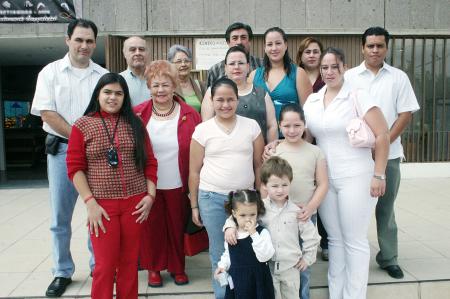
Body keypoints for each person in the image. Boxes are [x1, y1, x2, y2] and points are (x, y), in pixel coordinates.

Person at [303, 47, 390, 299]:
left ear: (344, 68)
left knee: (354, 240)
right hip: (326, 180)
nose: (329, 72)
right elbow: (307, 137)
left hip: (357, 176)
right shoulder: (313, 100)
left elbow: (382, 135)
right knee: (336, 240)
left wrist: (379, 174)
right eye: (324, 67)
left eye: (334, 67)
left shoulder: (357, 94)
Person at [30, 18, 108, 297]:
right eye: (79, 40)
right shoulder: (50, 73)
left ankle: (98, 267)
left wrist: (90, 141)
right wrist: (79, 137)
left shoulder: (102, 75)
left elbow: (109, 111)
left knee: (96, 213)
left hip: (96, 155)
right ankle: (62, 271)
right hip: (62, 152)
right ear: (68, 40)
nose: (84, 46)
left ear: (95, 44)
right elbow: (47, 113)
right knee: (59, 218)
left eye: (89, 41)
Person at [66, 73, 157, 299]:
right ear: (98, 94)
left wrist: (150, 196)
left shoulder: (135, 124)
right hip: (101, 206)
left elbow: (150, 162)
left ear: (125, 97)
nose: (112, 97)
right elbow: (75, 168)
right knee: (104, 266)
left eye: (118, 93)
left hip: (134, 204)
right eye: (107, 92)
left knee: (128, 264)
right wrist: (90, 203)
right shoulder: (82, 125)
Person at [345, 27, 420, 279]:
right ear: (362, 48)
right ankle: (348, 254)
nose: (375, 50)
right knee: (352, 207)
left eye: (379, 45)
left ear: (386, 48)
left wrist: (383, 141)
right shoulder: (349, 77)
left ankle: (388, 257)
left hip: (390, 155)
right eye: (370, 46)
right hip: (355, 156)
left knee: (385, 208)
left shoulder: (398, 78)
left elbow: (406, 114)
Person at [189, 78, 265, 299]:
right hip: (212, 198)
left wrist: (259, 196)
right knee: (219, 252)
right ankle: (222, 295)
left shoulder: (251, 126)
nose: (225, 104)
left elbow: (258, 164)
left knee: (246, 250)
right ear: (211, 101)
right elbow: (194, 171)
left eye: (230, 99)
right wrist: (194, 206)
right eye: (219, 100)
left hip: (245, 202)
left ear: (237, 99)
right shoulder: (202, 130)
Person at [134, 60, 201, 287]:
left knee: (175, 225)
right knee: (151, 228)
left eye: (165, 84)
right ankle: (154, 268)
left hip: (178, 181)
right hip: (148, 183)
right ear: (149, 87)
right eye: (155, 85)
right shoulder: (137, 114)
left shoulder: (190, 114)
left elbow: (198, 150)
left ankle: (177, 267)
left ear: (174, 86)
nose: (160, 90)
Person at [224, 157, 320, 299]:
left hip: (291, 268)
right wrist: (230, 227)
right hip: (267, 268)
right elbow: (241, 217)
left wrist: (308, 258)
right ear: (264, 185)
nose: (280, 190)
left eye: (284, 185)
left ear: (290, 183)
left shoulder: (296, 212)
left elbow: (312, 237)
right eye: (274, 186)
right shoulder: (260, 208)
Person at [272, 103, 328, 299]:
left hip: (305, 217)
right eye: (286, 126)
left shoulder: (315, 152)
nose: (292, 130)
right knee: (281, 265)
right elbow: (265, 185)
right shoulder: (274, 151)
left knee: (303, 265)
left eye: (297, 125)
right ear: (280, 126)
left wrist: (311, 208)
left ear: (304, 125)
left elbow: (323, 184)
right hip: (280, 219)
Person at [201, 45, 278, 143]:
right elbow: (206, 125)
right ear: (225, 67)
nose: (236, 67)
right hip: (222, 151)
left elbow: (272, 125)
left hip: (258, 154)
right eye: (232, 63)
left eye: (241, 63)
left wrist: (270, 149)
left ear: (248, 66)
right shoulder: (212, 92)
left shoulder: (261, 93)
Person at [296, 38, 329, 262]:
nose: (311, 55)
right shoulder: (295, 75)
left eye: (316, 51)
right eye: (307, 51)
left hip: (322, 141)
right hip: (298, 136)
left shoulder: (327, 78)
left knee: (322, 194)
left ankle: (325, 242)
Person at [215, 190, 275, 299]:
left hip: (258, 281)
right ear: (234, 214)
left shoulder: (262, 233)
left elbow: (265, 256)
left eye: (252, 214)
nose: (248, 219)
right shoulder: (232, 234)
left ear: (257, 212)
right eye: (242, 215)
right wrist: (222, 266)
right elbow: (229, 254)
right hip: (238, 281)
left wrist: (254, 234)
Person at [249, 27, 312, 122]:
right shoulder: (253, 75)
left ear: (286, 45)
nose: (274, 48)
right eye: (269, 44)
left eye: (278, 43)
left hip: (290, 134)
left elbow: (308, 112)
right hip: (260, 134)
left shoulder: (299, 73)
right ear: (265, 48)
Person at [206, 22, 263, 88]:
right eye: (235, 38)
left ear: (249, 41)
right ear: (228, 42)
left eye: (243, 37)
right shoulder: (215, 71)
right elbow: (210, 97)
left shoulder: (262, 65)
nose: (239, 42)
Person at [167, 44, 205, 112]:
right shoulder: (167, 86)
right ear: (171, 64)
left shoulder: (200, 85)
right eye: (179, 61)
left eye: (186, 61)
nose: (183, 64)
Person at [120, 36, 151, 106]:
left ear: (147, 53)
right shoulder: (117, 80)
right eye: (132, 49)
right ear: (124, 54)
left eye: (141, 49)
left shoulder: (157, 79)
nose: (137, 53)